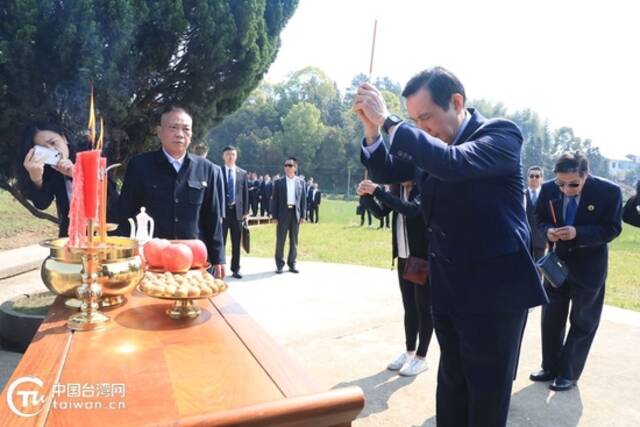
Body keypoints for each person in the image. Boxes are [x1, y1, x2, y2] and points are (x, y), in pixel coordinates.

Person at [354, 66, 548, 427]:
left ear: (457, 102)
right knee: (452, 386)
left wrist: (391, 121)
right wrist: (371, 128)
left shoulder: (500, 135)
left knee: (486, 395)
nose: (421, 127)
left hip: (493, 295)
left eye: (425, 117)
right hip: (447, 287)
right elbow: (386, 170)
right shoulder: (432, 145)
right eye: (414, 119)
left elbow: (453, 164)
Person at [530, 152, 622, 391]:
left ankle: (568, 373)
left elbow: (612, 229)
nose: (566, 190)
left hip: (589, 268)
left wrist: (578, 233)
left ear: (585, 175)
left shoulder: (608, 192)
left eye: (573, 184)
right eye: (561, 183)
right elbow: (538, 219)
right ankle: (549, 366)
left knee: (582, 321)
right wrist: (548, 231)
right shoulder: (549, 189)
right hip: (556, 265)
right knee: (551, 318)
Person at [118, 106, 225, 278]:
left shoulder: (207, 169)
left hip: (194, 262)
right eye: (173, 127)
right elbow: (126, 212)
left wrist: (218, 257)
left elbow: (213, 216)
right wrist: (125, 256)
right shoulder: (140, 166)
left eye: (186, 129)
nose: (180, 134)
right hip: (153, 261)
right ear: (159, 132)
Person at [359, 179, 433, 376]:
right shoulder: (397, 189)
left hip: (420, 259)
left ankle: (422, 357)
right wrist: (366, 196)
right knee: (409, 306)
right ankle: (409, 352)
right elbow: (381, 212)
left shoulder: (424, 186)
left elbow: (411, 210)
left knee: (423, 308)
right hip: (402, 257)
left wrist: (378, 192)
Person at [17, 121, 119, 237]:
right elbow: (42, 203)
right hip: (72, 235)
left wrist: (76, 174)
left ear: (64, 138)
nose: (52, 149)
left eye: (53, 142)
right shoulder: (50, 169)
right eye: (44, 149)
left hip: (107, 230)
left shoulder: (89, 155)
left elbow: (111, 195)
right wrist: (36, 178)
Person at [271, 157, 306, 274]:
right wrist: (274, 216)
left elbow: (303, 200)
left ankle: (292, 263)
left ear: (295, 168)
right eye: (286, 165)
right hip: (282, 214)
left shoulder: (301, 182)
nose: (287, 167)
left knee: (294, 240)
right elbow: (274, 200)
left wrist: (303, 216)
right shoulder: (278, 182)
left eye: (290, 165)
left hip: (295, 214)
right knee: (280, 240)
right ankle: (279, 264)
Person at [221, 146, 249, 279]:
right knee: (220, 242)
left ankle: (236, 268)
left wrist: (246, 212)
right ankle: (218, 268)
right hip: (222, 213)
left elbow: (245, 194)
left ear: (236, 156)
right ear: (223, 156)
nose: (230, 157)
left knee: (236, 242)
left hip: (237, 213)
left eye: (233, 154)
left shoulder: (242, 173)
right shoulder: (217, 171)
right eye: (228, 154)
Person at [525, 165, 547, 260]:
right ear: (528, 178)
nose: (534, 178)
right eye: (531, 176)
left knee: (539, 271)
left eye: (537, 176)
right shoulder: (520, 195)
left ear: (542, 179)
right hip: (525, 239)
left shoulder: (546, 197)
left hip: (541, 240)